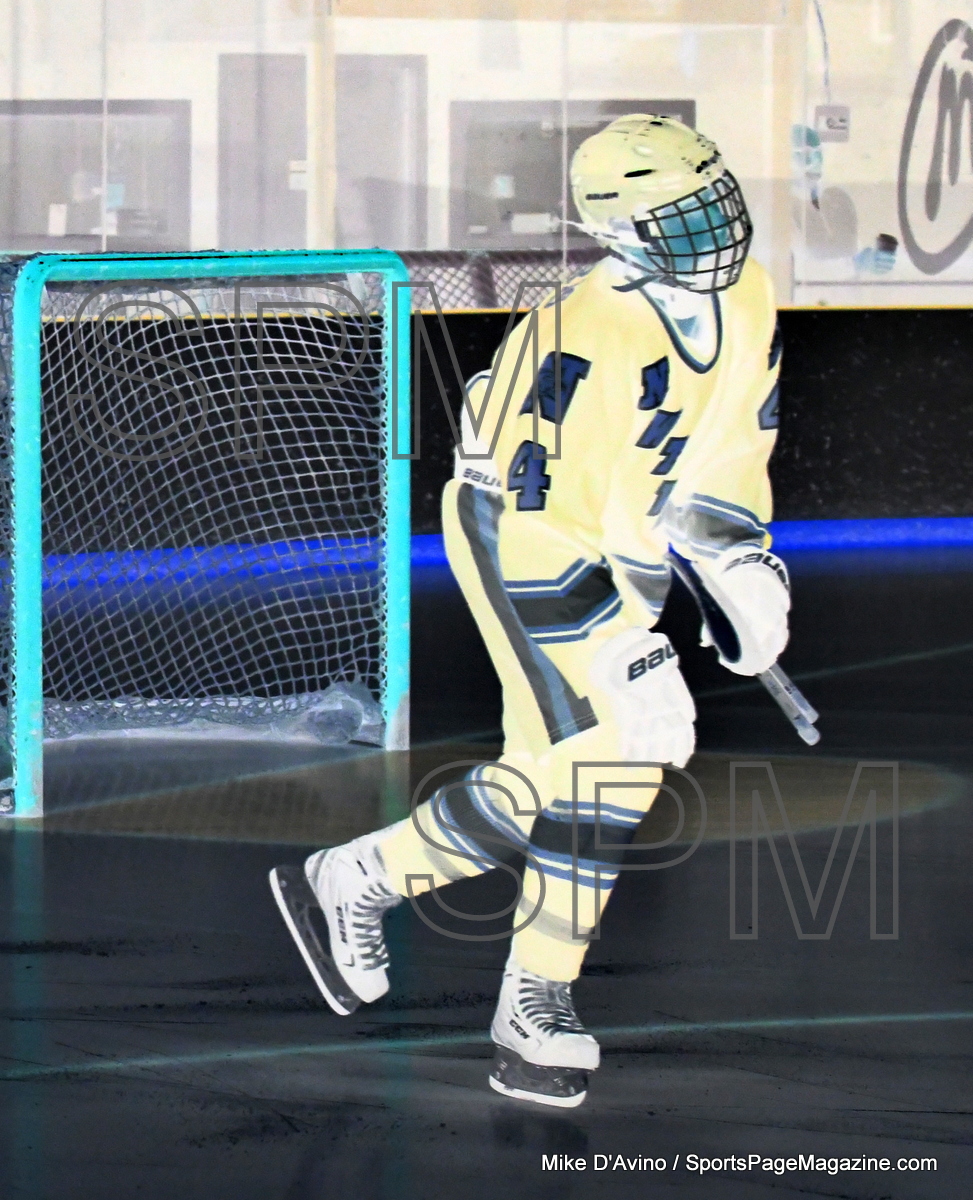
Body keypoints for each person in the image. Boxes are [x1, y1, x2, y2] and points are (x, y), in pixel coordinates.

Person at [270, 114, 790, 1109]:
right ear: (621, 234)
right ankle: (510, 984)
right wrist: (616, 650)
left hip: (625, 540)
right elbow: (536, 524)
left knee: (595, 773)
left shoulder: (749, 296)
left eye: (715, 202)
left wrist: (738, 558)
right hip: (517, 537)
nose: (716, 230)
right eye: (683, 217)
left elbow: (729, 453)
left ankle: (372, 885)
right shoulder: (582, 335)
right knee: (608, 752)